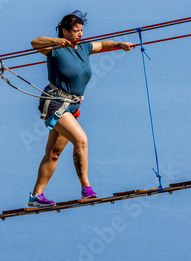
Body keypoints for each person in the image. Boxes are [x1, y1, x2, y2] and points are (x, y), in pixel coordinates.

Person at [28, 11, 133, 207]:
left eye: (81, 30)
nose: (80, 34)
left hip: (73, 106)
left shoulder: (84, 48)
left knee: (54, 153)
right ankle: (86, 188)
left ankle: (36, 197)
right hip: (56, 103)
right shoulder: (54, 50)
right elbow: (35, 42)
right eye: (75, 31)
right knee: (81, 140)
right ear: (65, 31)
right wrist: (57, 41)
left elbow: (102, 44)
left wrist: (120, 45)